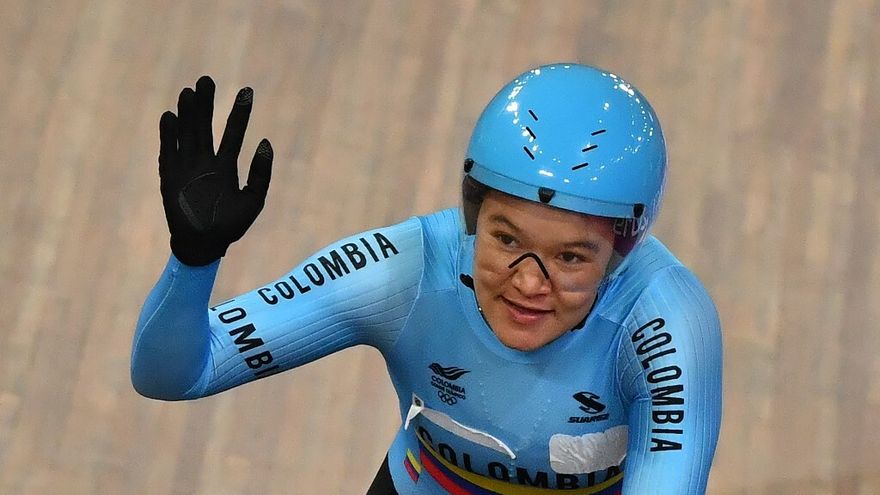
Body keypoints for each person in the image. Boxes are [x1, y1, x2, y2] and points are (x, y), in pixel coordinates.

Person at [131, 63, 723, 494]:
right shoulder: (404, 271)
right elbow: (175, 374)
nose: (528, 284)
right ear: (472, 217)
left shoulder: (664, 323)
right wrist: (193, 260)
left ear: (621, 253)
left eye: (569, 258)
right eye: (506, 241)